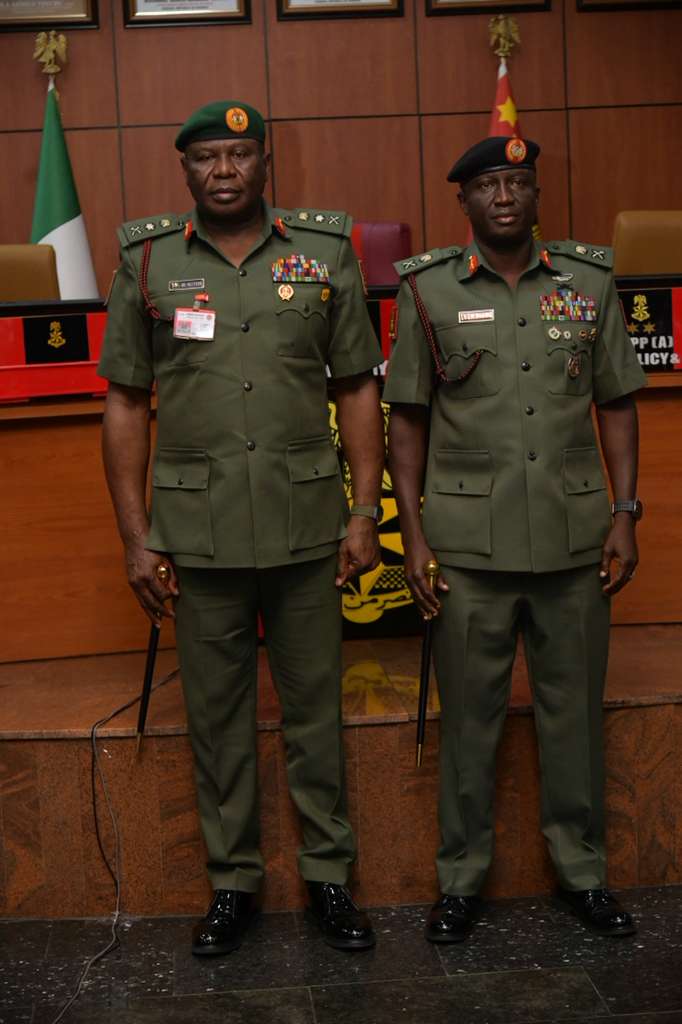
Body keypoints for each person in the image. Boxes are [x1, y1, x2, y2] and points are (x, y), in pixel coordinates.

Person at [98, 100, 385, 955]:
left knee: (315, 712)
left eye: (239, 154)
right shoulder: (148, 259)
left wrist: (363, 512)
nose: (223, 171)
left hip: (306, 523)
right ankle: (233, 883)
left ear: (266, 162)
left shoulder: (324, 253)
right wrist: (136, 534)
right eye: (206, 158)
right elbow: (125, 401)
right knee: (217, 717)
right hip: (198, 530)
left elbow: (357, 386)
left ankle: (328, 877)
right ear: (184, 170)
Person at [385, 136, 646, 944]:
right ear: (463, 201)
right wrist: (414, 535)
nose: (504, 196)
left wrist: (625, 512)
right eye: (489, 185)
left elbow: (616, 402)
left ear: (535, 195)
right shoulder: (427, 289)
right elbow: (408, 418)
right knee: (469, 723)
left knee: (575, 719)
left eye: (518, 183)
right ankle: (460, 881)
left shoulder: (588, 282)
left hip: (574, 541)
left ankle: (583, 874)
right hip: (468, 550)